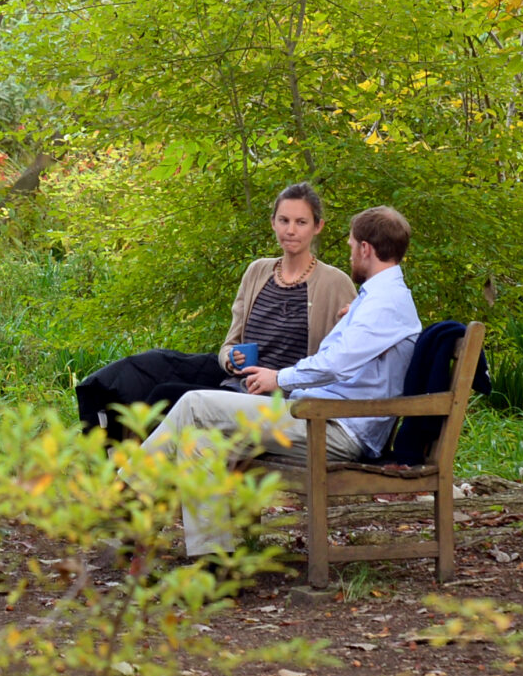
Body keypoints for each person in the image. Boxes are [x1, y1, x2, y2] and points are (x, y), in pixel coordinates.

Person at [140, 204, 421, 556]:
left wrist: (279, 378)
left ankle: (125, 491)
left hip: (335, 429)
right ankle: (211, 558)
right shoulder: (379, 300)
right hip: (322, 415)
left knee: (195, 403)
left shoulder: (383, 303)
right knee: (199, 440)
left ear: (365, 248)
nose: (350, 252)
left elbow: (334, 365)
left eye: (351, 245)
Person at [75, 183, 357, 442]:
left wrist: (282, 376)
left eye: (301, 222)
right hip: (236, 383)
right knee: (144, 376)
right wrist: (231, 359)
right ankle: (118, 465)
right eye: (283, 220)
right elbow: (229, 344)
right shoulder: (257, 272)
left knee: (168, 396)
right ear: (273, 222)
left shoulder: (335, 283)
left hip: (282, 398)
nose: (290, 230)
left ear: (317, 227)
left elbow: (344, 358)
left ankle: (141, 482)